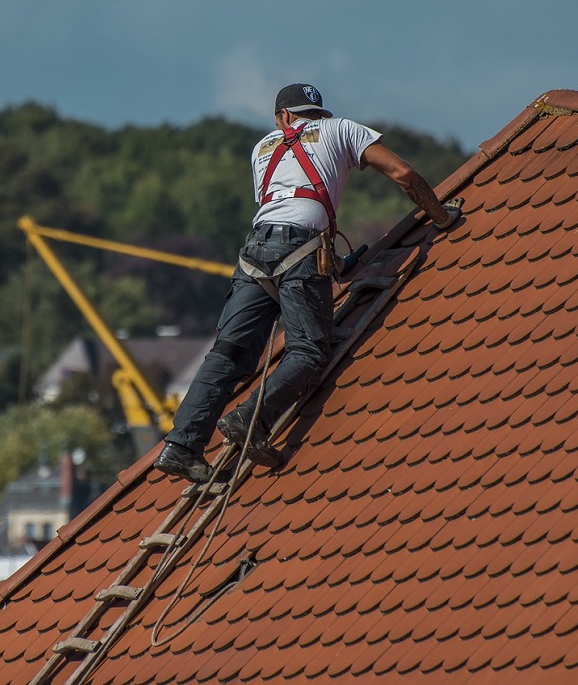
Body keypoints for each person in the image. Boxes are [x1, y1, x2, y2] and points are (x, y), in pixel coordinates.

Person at [153, 83, 461, 484]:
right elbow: (403, 174)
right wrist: (441, 216)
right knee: (310, 351)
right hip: (300, 247)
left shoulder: (262, 148)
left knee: (228, 353)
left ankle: (181, 447)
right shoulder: (342, 130)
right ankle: (251, 419)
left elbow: (283, 205)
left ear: (282, 117)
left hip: (254, 252)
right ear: (311, 114)